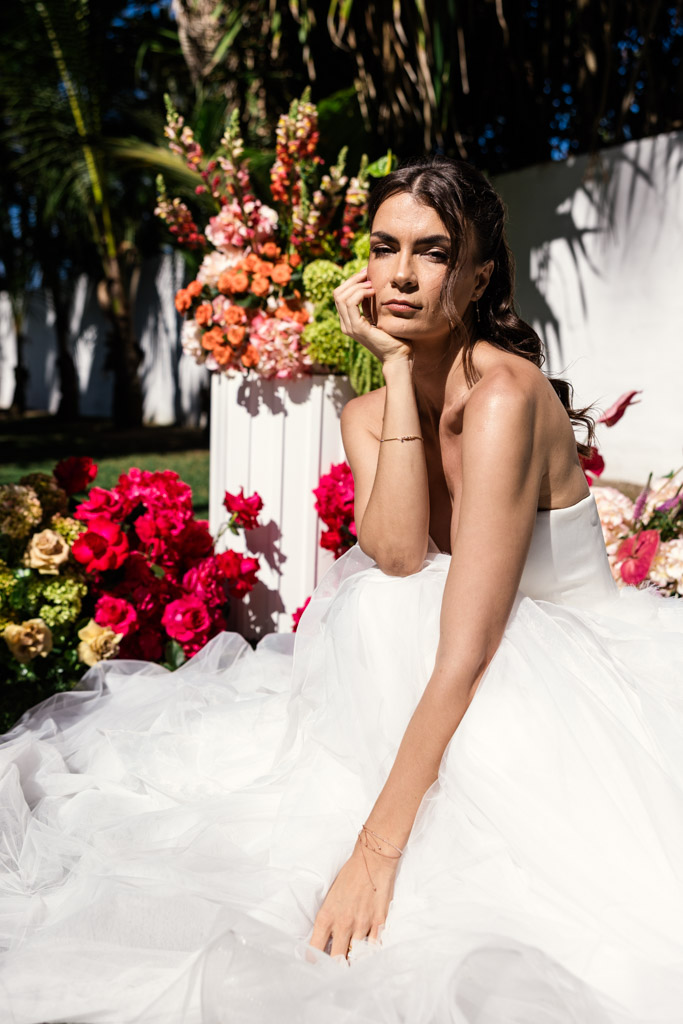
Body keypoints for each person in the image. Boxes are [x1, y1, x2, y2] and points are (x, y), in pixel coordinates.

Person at [1, 156, 682, 1024]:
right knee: (381, 607)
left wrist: (376, 849)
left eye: (432, 253)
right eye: (383, 248)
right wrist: (393, 372)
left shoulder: (506, 395)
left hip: (554, 679)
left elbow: (471, 646)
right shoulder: (366, 412)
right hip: (432, 667)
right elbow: (398, 555)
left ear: (476, 277)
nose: (400, 274)